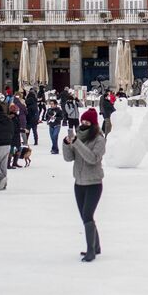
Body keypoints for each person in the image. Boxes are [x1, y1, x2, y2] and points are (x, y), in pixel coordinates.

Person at [63, 108, 108, 261]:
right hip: (79, 183)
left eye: (87, 122)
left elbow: (92, 158)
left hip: (94, 184)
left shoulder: (99, 140)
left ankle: (91, 251)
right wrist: (66, 144)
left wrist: (77, 143)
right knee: (85, 216)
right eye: (82, 121)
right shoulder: (79, 138)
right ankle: (97, 246)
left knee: (88, 215)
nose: (83, 124)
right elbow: (69, 158)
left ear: (94, 124)